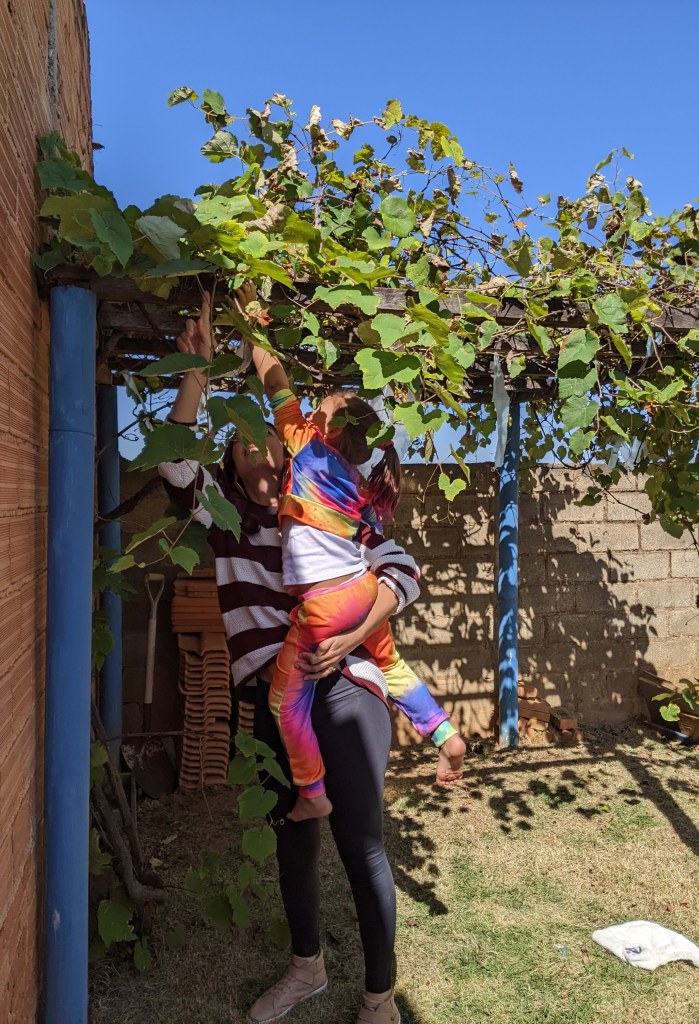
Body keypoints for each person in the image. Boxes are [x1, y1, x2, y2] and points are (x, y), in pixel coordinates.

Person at [155, 292, 460, 1024]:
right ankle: (307, 970)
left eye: (268, 440)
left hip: (349, 687)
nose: (256, 449)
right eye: (241, 442)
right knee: (294, 839)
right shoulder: (224, 521)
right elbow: (171, 464)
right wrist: (196, 370)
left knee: (360, 844)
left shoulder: (328, 514)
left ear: (289, 454)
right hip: (275, 698)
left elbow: (404, 573)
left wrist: (353, 639)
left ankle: (380, 999)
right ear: (231, 462)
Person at [235, 284, 465, 822]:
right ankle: (445, 734)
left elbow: (274, 380)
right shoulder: (361, 485)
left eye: (322, 407)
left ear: (329, 429)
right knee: (392, 663)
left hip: (324, 604)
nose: (314, 406)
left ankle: (312, 792)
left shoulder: (306, 448)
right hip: (361, 591)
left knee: (284, 702)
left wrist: (252, 320)